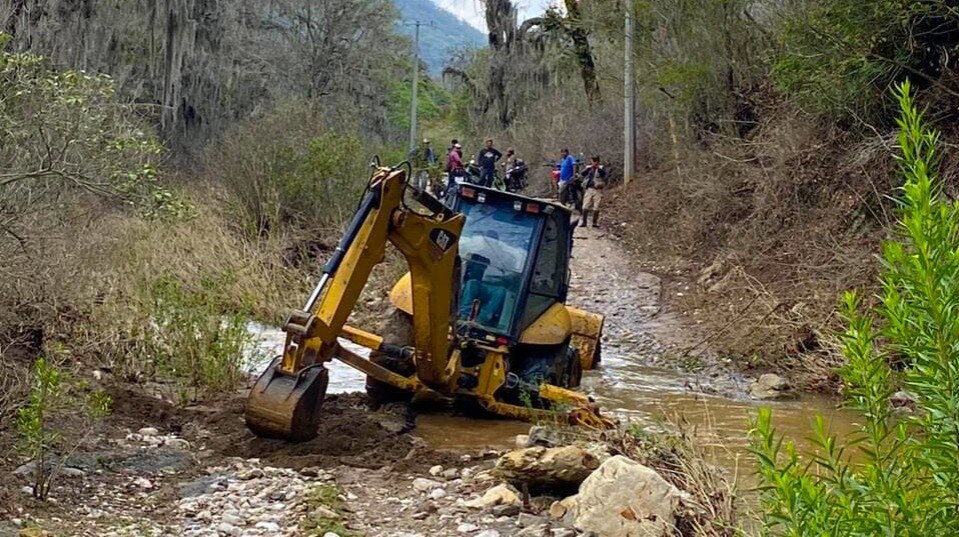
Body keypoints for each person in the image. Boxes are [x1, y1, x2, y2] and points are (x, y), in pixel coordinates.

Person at [579, 156, 607, 227]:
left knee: (596, 206)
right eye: (593, 161)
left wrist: (598, 168)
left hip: (598, 189)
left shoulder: (601, 168)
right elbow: (582, 173)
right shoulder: (589, 168)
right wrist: (590, 168)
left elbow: (604, 174)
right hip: (589, 189)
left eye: (595, 161)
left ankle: (594, 223)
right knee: (585, 206)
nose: (594, 163)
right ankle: (584, 222)